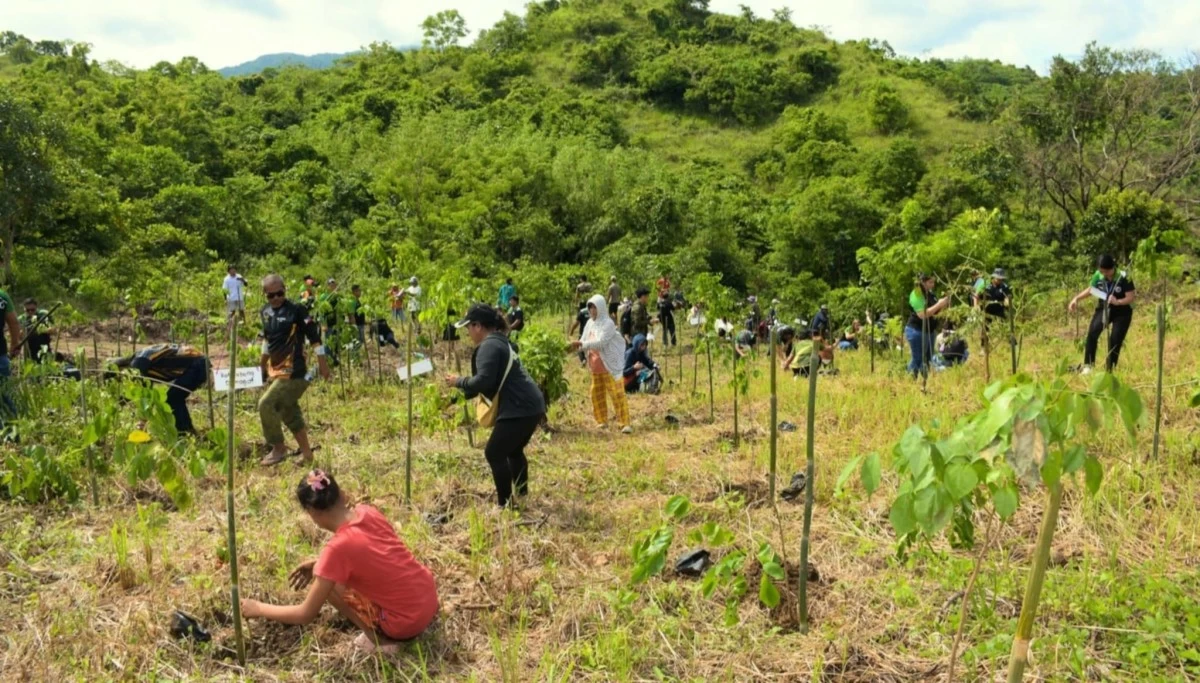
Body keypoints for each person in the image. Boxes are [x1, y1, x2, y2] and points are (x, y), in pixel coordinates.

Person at [240, 470, 439, 654]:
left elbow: (305, 614)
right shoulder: (367, 512)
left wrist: (258, 608)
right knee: (327, 572)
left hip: (406, 623)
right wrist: (320, 564)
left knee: (332, 586)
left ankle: (379, 642)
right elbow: (376, 555)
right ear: (342, 494)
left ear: (311, 512)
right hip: (427, 599)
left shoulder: (337, 549)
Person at [445, 304, 546, 507]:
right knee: (513, 451)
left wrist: (458, 381)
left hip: (518, 407)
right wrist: (453, 399)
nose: (467, 333)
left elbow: (482, 381)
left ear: (478, 326)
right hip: (531, 405)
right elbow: (483, 384)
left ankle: (506, 504)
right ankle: (522, 494)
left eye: (468, 327)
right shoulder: (500, 342)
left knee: (494, 452)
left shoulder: (488, 346)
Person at [259, 274, 330, 466]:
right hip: (276, 371)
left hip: (295, 371)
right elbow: (267, 341)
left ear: (285, 290)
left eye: (279, 293)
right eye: (271, 295)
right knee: (289, 410)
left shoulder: (296, 310)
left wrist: (323, 364)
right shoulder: (265, 312)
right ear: (265, 295)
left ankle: (278, 448)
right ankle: (307, 455)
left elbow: (315, 338)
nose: (276, 298)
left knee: (266, 404)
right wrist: (262, 365)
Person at [569, 295, 632, 434]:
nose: (591, 310)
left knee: (617, 394)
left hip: (609, 366)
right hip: (595, 368)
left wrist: (582, 344)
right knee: (596, 394)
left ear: (601, 308)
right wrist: (575, 346)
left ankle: (624, 423)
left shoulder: (608, 324)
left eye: (594, 307)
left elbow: (601, 343)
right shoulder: (590, 324)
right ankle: (602, 421)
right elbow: (583, 340)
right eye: (590, 307)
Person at [113, 344, 209, 434]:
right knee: (175, 398)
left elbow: (144, 395)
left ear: (120, 370)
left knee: (172, 399)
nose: (122, 381)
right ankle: (187, 430)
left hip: (198, 365)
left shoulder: (138, 363)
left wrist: (142, 421)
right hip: (199, 364)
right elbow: (146, 392)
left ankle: (185, 432)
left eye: (119, 378)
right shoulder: (140, 361)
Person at [1069, 254, 1135, 373]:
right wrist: (1076, 299)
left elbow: (1131, 297)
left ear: (1112, 267)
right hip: (1104, 308)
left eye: (1107, 271)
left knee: (1115, 339)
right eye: (1102, 271)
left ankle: (1110, 369)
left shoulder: (1123, 276)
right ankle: (1088, 366)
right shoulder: (1098, 275)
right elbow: (1091, 290)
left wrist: (1118, 301)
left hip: (1122, 311)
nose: (1104, 274)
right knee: (1093, 332)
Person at [906, 274, 951, 379]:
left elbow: (935, 312)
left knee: (928, 358)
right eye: (930, 282)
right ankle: (910, 379)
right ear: (923, 282)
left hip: (930, 331)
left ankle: (925, 380)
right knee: (917, 358)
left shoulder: (930, 294)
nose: (933, 285)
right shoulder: (916, 294)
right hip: (916, 331)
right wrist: (939, 304)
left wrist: (944, 305)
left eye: (933, 282)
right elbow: (922, 314)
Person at [0, 285, 21, 421]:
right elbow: (13, 323)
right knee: (5, 394)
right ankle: (12, 433)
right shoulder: (2, 296)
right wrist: (14, 344)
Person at [18, 298, 54, 363]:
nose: (30, 312)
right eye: (27, 310)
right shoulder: (21, 319)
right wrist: (22, 333)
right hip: (28, 350)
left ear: (36, 307)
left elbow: (53, 330)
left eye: (32, 310)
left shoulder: (43, 314)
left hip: (44, 348)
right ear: (24, 309)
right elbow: (18, 336)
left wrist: (40, 330)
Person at [319, 278, 342, 367]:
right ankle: (327, 361)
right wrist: (323, 323)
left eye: (334, 285)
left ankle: (333, 359)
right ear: (327, 286)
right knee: (327, 343)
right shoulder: (324, 297)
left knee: (336, 342)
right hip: (327, 324)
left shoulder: (337, 296)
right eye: (330, 285)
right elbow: (321, 312)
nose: (332, 286)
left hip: (336, 323)